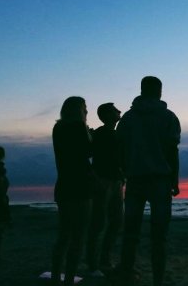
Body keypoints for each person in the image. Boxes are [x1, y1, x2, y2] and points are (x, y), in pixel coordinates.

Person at [117, 76, 181, 286]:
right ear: (159, 91)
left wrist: (124, 170)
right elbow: (172, 151)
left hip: (135, 179)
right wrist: (175, 180)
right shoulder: (169, 117)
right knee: (159, 236)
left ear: (142, 90)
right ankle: (158, 281)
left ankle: (126, 274)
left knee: (130, 232)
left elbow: (120, 149)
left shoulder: (127, 118)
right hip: (160, 180)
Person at [51, 96, 99, 286]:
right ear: (78, 110)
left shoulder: (58, 128)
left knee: (63, 235)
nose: (87, 111)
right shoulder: (79, 128)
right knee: (78, 236)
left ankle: (56, 276)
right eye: (85, 108)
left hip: (63, 185)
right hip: (80, 186)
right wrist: (90, 135)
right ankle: (69, 278)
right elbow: (88, 152)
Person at [85, 102, 123, 276]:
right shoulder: (100, 134)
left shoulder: (117, 134)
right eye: (115, 110)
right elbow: (87, 155)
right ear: (108, 115)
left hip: (116, 181)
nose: (119, 111)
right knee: (98, 223)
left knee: (116, 221)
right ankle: (93, 263)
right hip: (103, 181)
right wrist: (95, 178)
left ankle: (104, 259)